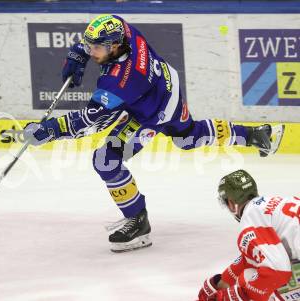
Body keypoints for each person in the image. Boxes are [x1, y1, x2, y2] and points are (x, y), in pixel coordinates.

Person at [23, 14, 284, 253]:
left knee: (107, 159)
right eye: (91, 46)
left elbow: (89, 121)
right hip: (163, 82)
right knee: (189, 136)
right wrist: (79, 53)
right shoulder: (122, 29)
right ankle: (256, 135)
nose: (93, 52)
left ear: (114, 46)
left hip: (154, 111)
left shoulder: (121, 81)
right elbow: (102, 31)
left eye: (97, 49)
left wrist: (48, 131)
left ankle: (138, 223)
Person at [197, 169, 300, 301]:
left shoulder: (251, 218)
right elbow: (256, 257)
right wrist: (222, 283)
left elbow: (278, 270)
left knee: (248, 278)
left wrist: (239, 295)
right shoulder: (275, 204)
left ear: (230, 203)